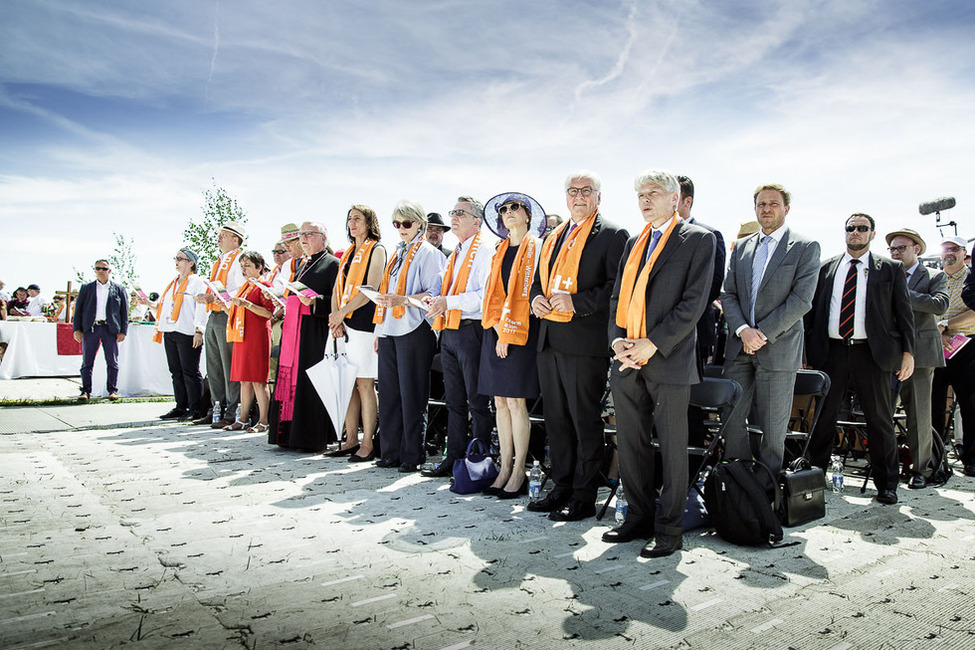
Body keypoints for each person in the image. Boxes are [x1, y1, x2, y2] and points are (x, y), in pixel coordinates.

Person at [603, 170, 714, 558]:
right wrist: (617, 339)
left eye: (652, 193)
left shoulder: (698, 239)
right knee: (630, 443)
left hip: (667, 358)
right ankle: (636, 516)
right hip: (626, 358)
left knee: (671, 447)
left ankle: (669, 529)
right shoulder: (635, 241)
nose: (645, 200)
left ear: (674, 198)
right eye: (640, 195)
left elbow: (694, 303)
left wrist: (652, 344)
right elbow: (618, 297)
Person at [528, 170, 629, 521]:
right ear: (565, 197)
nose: (579, 196)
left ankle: (584, 497)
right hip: (549, 340)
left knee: (584, 422)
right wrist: (535, 300)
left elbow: (618, 288)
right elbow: (538, 283)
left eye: (587, 191)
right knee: (556, 421)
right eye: (573, 191)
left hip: (584, 343)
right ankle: (562, 488)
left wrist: (579, 302)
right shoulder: (553, 236)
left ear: (598, 198)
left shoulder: (614, 234)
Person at [805, 213, 915, 505]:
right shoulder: (827, 268)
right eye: (850, 228)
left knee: (879, 420)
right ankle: (814, 477)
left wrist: (908, 353)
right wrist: (806, 352)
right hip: (832, 352)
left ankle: (887, 484)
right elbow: (812, 313)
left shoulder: (889, 269)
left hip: (872, 353)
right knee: (823, 418)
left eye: (861, 228)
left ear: (872, 234)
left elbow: (904, 314)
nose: (855, 232)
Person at [719, 184, 820, 476]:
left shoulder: (804, 246)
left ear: (786, 209)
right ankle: (736, 485)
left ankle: (767, 492)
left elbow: (801, 300)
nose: (766, 209)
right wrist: (742, 331)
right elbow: (728, 294)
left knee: (773, 428)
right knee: (733, 420)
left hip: (777, 348)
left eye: (773, 204)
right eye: (761, 204)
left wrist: (760, 333)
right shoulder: (742, 248)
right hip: (739, 347)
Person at [421, 196, 495, 479]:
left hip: (472, 330)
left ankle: (479, 462)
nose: (454, 217)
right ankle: (453, 460)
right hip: (449, 330)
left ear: (477, 221)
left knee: (477, 402)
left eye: (460, 213)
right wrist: (434, 300)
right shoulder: (456, 252)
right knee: (453, 401)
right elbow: (446, 289)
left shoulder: (486, 249)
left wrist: (447, 302)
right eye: (453, 212)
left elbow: (483, 297)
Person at [478, 192, 546, 498]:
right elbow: (491, 295)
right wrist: (498, 329)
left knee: (516, 402)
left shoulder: (539, 248)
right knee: (499, 402)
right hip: (495, 330)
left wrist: (509, 332)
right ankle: (504, 466)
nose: (508, 212)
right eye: (503, 209)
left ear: (528, 215)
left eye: (514, 207)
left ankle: (520, 469)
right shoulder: (498, 250)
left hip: (523, 331)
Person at [374, 202, 445, 471]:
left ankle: (412, 455)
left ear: (419, 224)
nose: (401, 229)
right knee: (390, 394)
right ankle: (390, 452)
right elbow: (386, 296)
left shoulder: (429, 253)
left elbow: (433, 295)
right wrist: (378, 331)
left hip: (415, 329)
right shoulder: (396, 254)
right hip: (389, 328)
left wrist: (402, 299)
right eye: (396, 224)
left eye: (406, 223)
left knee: (412, 395)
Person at [268, 222, 340, 451]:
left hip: (315, 333)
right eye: (302, 235)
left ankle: (310, 437)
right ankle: (290, 435)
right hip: (296, 331)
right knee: (292, 383)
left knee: (310, 384)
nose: (304, 239)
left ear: (323, 238)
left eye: (310, 234)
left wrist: (316, 301)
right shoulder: (302, 264)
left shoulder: (333, 264)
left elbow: (338, 300)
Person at [886, 229, 948, 488]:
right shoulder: (885, 276)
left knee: (919, 415)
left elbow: (939, 305)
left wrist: (901, 294)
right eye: (892, 249)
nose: (896, 252)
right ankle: (886, 465)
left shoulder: (935, 275)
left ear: (917, 249)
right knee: (882, 412)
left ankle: (921, 469)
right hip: (888, 355)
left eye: (901, 248)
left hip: (921, 355)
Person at [329, 205, 387, 462]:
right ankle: (350, 439)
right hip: (342, 323)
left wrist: (343, 313)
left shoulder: (377, 249)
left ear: (369, 222)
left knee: (364, 383)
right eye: (349, 219)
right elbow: (336, 289)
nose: (352, 223)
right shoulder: (348, 252)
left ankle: (367, 442)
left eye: (357, 219)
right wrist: (335, 318)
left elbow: (371, 287)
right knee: (348, 383)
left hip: (363, 322)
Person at [144, 248, 209, 421]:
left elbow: (202, 307)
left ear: (191, 263)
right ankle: (181, 406)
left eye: (181, 258)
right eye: (176, 258)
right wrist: (149, 304)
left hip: (187, 331)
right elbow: (165, 307)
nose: (177, 261)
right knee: (176, 371)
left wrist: (199, 330)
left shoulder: (197, 282)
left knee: (190, 371)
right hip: (170, 330)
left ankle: (196, 408)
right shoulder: (173, 283)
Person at [194, 222, 246, 428]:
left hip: (227, 314)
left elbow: (241, 289)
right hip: (213, 314)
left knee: (228, 364)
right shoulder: (220, 261)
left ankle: (232, 410)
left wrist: (214, 297)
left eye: (224, 235)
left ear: (236, 240)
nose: (219, 238)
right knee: (213, 364)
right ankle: (216, 407)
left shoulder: (240, 259)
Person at [931, 236, 975, 477]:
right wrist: (939, 333)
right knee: (933, 405)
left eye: (954, 249)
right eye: (945, 248)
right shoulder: (934, 278)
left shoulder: (972, 277)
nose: (949, 253)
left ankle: (971, 458)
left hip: (967, 346)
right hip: (936, 346)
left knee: (970, 405)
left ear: (964, 252)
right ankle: (936, 458)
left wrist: (946, 326)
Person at [677, 175, 727, 367]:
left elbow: (713, 286)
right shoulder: (652, 238)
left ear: (687, 201)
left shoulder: (710, 236)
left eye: (673, 195)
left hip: (694, 331)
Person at [225, 251, 276, 433]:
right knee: (244, 380)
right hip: (242, 335)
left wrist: (246, 305)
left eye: (247, 265)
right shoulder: (246, 286)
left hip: (257, 336)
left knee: (258, 381)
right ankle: (243, 419)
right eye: (242, 266)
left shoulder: (263, 285)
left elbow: (268, 313)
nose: (243, 269)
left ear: (259, 267)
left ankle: (263, 421)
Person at [72, 259, 130, 401]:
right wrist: (77, 329)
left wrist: (123, 330)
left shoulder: (119, 288)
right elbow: (78, 310)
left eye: (104, 269)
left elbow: (124, 311)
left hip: (110, 329)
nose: (101, 271)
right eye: (98, 268)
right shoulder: (86, 288)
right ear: (95, 270)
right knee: (87, 361)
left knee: (112, 361)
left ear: (109, 271)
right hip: (91, 328)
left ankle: (112, 390)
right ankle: (85, 391)